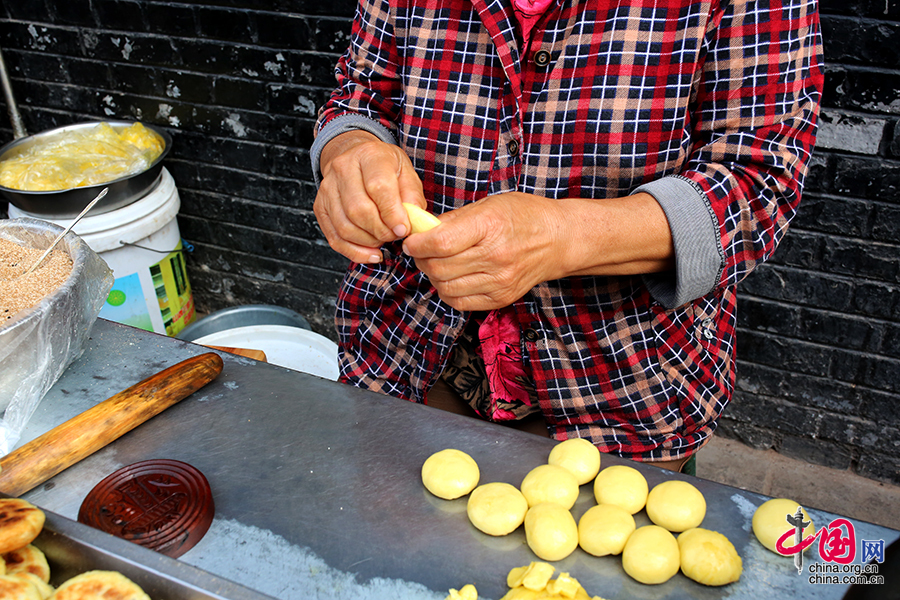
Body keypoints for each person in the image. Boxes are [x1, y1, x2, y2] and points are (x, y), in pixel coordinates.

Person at [311, 0, 824, 471]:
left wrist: (563, 237)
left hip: (623, 391)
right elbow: (359, 95)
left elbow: (758, 182)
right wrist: (349, 149)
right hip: (407, 354)